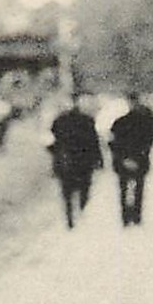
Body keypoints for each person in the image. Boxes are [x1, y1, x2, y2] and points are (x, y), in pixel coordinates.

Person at [47, 95, 103, 230]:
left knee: (67, 192)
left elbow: (53, 141)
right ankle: (80, 213)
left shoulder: (59, 120)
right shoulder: (87, 120)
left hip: (67, 162)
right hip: (83, 161)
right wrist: (98, 160)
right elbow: (94, 142)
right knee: (83, 189)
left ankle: (70, 218)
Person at [109, 93, 153, 227]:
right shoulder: (145, 122)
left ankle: (125, 217)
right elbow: (149, 142)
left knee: (124, 189)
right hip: (140, 160)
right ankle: (136, 216)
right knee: (138, 189)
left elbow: (114, 143)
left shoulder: (119, 122)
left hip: (123, 161)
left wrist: (124, 158)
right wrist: (138, 158)